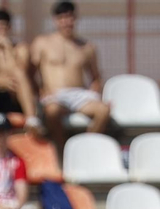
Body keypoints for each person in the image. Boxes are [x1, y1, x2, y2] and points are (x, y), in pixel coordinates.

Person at [30, 1, 111, 147]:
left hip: (79, 95)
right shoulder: (43, 43)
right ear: (55, 20)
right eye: (62, 18)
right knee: (52, 111)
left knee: (103, 111)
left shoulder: (87, 47)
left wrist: (95, 91)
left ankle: (84, 148)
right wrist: (40, 91)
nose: (66, 22)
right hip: (55, 96)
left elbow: (96, 77)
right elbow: (30, 73)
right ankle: (63, 150)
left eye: (69, 17)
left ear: (75, 18)